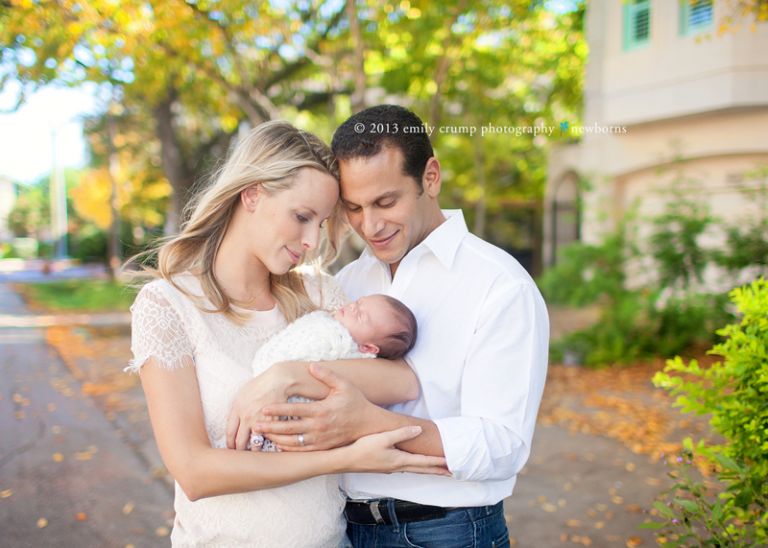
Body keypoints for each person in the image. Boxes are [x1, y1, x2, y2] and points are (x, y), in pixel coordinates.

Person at [228, 105, 550, 547]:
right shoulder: (348, 283)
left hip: (446, 530)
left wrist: (367, 423)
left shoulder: (499, 284)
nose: (371, 225)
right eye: (354, 208)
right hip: (345, 528)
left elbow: (503, 445)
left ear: (430, 178)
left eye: (386, 201)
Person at [127, 120, 447, 548]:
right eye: (302, 217)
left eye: (322, 222)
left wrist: (287, 376)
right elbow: (195, 472)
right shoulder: (168, 305)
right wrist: (344, 459)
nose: (312, 240)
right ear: (252, 194)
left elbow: (402, 379)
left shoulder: (320, 294)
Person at [249, 294, 417, 452]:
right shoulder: (327, 315)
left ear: (367, 348)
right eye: (357, 302)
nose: (352, 308)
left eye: (360, 316)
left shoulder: (342, 347)